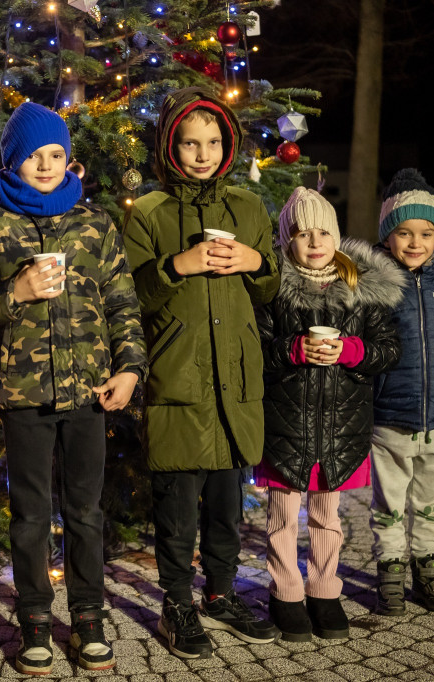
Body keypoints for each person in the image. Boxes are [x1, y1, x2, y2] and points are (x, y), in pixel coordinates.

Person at [0, 102, 147, 675]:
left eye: (56, 154)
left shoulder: (95, 225)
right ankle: (35, 617)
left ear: (71, 160)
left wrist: (130, 369)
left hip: (90, 394)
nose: (46, 164)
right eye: (34, 156)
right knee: (31, 514)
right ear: (11, 164)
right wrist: (13, 292)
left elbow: (122, 305)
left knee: (87, 511)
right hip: (25, 396)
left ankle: (88, 615)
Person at [122, 87, 281, 658]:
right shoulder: (149, 213)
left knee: (226, 501)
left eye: (213, 142)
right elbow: (132, 294)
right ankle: (177, 603)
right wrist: (177, 265)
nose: (202, 153)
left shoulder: (249, 209)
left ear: (228, 145)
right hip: (178, 374)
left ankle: (220, 593)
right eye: (190, 143)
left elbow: (270, 287)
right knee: (176, 503)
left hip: (234, 377)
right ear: (171, 146)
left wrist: (256, 261)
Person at [254, 187, 405, 642]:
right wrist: (294, 349)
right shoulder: (272, 289)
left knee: (327, 516)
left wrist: (352, 350)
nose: (314, 241)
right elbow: (257, 350)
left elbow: (388, 350)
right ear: (286, 242)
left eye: (323, 231)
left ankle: (324, 590)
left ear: (336, 236)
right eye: (302, 234)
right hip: (287, 424)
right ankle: (285, 594)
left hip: (343, 426)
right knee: (283, 517)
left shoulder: (362, 288)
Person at [369, 168, 434, 615]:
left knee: (430, 500)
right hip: (390, 417)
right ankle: (390, 570)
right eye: (405, 232)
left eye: (426, 233)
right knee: (389, 501)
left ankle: (427, 570)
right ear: (388, 236)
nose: (416, 243)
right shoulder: (375, 285)